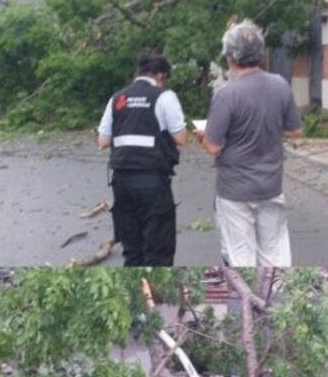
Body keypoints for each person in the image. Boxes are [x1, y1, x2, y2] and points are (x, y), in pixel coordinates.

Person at [196, 20, 303, 268]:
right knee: (275, 255)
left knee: (240, 258)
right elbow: (296, 131)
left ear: (230, 58)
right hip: (271, 186)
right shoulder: (280, 85)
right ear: (261, 54)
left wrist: (203, 135)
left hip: (235, 192)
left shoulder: (227, 94)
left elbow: (213, 147)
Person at [98, 53, 188, 267]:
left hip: (122, 183)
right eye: (165, 80)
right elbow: (181, 138)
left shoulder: (118, 98)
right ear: (161, 76)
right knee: (158, 250)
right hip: (153, 183)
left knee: (132, 251)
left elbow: (102, 141)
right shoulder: (164, 97)